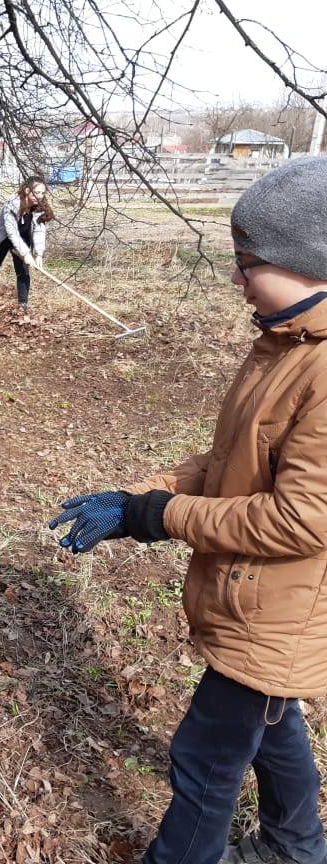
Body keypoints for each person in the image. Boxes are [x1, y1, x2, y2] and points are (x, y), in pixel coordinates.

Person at [49, 157, 327, 864]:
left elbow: (300, 519)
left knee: (205, 759)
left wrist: (160, 518)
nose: (236, 278)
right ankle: (297, 850)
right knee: (275, 724)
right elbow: (231, 461)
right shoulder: (282, 343)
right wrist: (138, 496)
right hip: (256, 605)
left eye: (248, 261)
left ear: (307, 262)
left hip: (277, 608)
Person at [0, 175, 53, 311]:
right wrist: (25, 253)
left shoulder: (39, 207)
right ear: (27, 190)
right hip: (1, 238)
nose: (40, 196)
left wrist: (38, 254)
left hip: (23, 239)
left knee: (23, 272)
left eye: (43, 193)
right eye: (37, 192)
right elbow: (11, 232)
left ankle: (23, 305)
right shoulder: (12, 204)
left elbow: (39, 231)